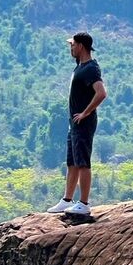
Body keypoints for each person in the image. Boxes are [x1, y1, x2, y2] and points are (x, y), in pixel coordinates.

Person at [47, 31, 107, 216]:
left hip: (83, 123)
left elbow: (101, 93)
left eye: (72, 44)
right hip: (74, 123)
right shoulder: (80, 66)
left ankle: (84, 203)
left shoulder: (90, 68)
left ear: (81, 46)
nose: (71, 47)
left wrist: (85, 113)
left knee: (83, 162)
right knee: (72, 161)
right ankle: (67, 200)